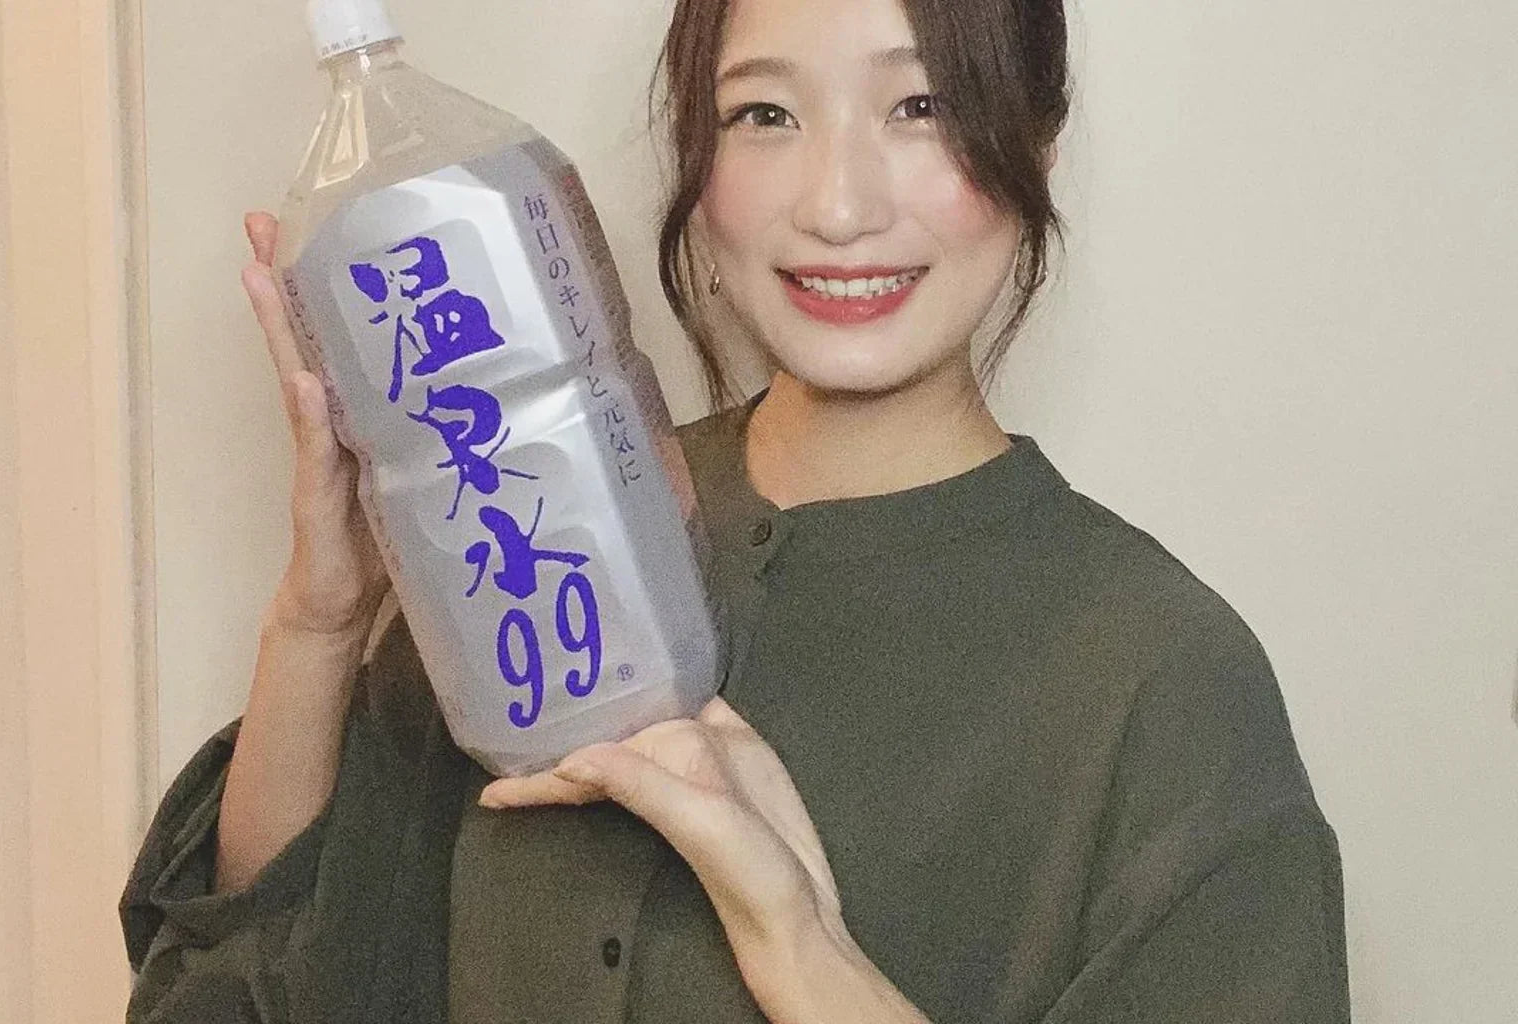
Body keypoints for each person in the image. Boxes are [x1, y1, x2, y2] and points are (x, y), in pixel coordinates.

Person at [120, 0, 1351, 1020]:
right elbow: (268, 981)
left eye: (918, 106)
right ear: (697, 166)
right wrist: (322, 622)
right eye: (764, 113)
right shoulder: (522, 535)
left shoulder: (1158, 679)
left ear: (1038, 139)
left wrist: (803, 946)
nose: (838, 205)